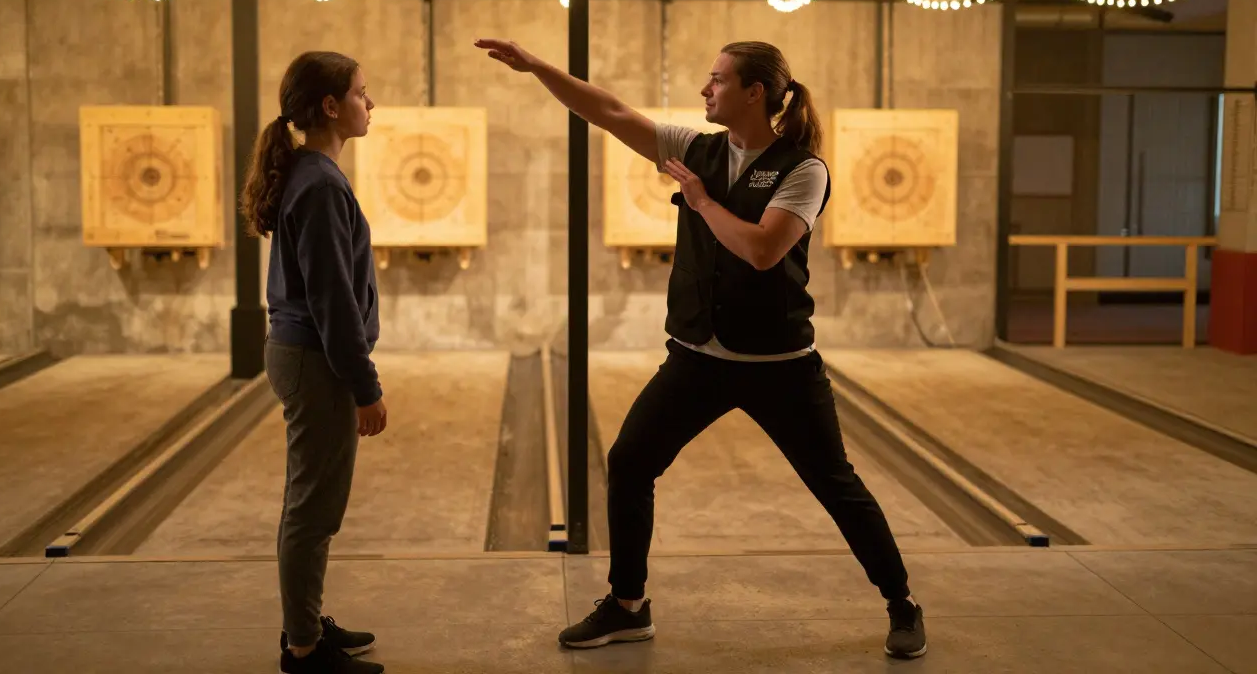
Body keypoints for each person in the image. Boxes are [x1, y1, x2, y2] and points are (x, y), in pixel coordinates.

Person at [474, 37, 927, 660]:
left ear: (754, 92)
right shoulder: (698, 148)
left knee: (836, 486)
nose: (704, 89)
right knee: (630, 462)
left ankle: (901, 603)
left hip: (780, 368)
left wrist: (703, 201)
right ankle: (628, 606)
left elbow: (764, 250)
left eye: (716, 80)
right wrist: (537, 67)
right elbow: (610, 113)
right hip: (698, 359)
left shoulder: (803, 169)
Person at [240, 50, 389, 674]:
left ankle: (307, 621)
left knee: (313, 503)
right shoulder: (322, 183)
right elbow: (333, 302)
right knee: (312, 508)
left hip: (303, 355)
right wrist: (366, 387)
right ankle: (302, 649)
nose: (370, 102)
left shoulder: (309, 172)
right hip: (317, 360)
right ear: (331, 106)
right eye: (361, 92)